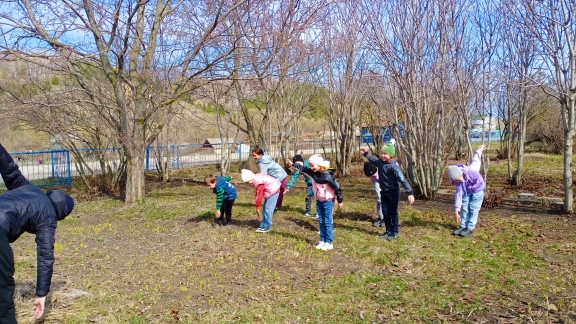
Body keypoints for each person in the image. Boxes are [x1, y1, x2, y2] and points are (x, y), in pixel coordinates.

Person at [0, 143, 75, 321]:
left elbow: (9, 169)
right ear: (60, 214)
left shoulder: (28, 188)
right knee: (3, 290)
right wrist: (41, 294)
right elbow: (45, 257)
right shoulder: (48, 217)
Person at [360, 140, 415, 240]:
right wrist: (366, 153)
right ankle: (388, 230)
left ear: (391, 155)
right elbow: (373, 160)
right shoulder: (380, 162)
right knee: (385, 211)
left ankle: (394, 232)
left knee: (392, 212)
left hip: (393, 192)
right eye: (382, 153)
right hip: (384, 191)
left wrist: (410, 193)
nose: (383, 155)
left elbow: (402, 179)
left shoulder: (394, 167)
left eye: (385, 154)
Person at [287, 154, 343, 251]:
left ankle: (329, 242)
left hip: (328, 201)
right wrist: (293, 165)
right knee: (321, 220)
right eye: (310, 165)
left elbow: (337, 188)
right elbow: (302, 168)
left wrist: (340, 200)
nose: (311, 167)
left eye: (313, 165)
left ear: (319, 165)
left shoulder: (327, 176)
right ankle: (322, 240)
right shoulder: (312, 173)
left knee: (327, 221)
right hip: (319, 200)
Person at [447, 144, 486, 237]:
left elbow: (476, 160)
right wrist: (456, 211)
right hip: (467, 190)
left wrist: (480, 150)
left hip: (478, 190)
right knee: (464, 207)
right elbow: (458, 195)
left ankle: (470, 227)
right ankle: (463, 226)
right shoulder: (458, 181)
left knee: (473, 208)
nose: (458, 181)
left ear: (461, 174)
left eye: (458, 179)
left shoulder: (472, 171)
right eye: (455, 180)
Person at [363, 161, 384, 227]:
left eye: (374, 173)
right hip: (376, 182)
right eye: (372, 175)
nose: (374, 175)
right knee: (379, 198)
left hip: (385, 181)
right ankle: (381, 217)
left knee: (386, 198)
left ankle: (387, 218)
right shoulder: (373, 178)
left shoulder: (383, 169)